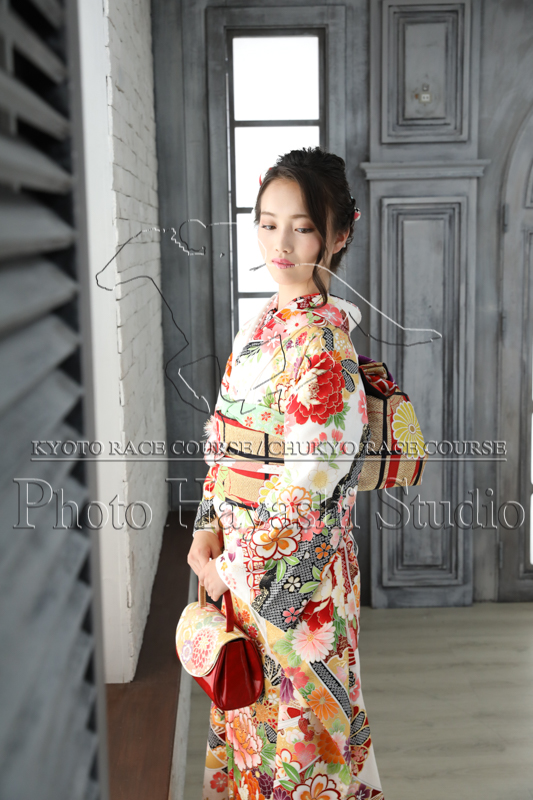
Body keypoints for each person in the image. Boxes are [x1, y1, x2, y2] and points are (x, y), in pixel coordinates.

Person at [187, 147, 384, 800]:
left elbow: (310, 488)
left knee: (302, 746)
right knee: (251, 726)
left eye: (301, 227)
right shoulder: (261, 328)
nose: (281, 243)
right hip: (241, 563)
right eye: (268, 224)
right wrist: (207, 529)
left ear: (339, 234)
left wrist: (232, 567)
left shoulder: (324, 347)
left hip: (297, 580)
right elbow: (223, 442)